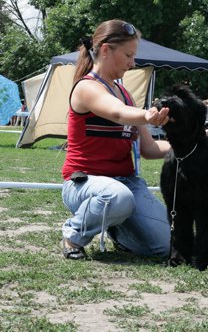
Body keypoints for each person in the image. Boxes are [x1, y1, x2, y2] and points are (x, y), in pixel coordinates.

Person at [60, 19, 175, 260]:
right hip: (85, 185)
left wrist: (192, 144)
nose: (133, 63)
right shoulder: (86, 88)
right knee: (116, 197)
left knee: (167, 246)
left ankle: (117, 228)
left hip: (125, 184)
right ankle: (73, 236)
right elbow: (116, 112)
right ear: (105, 50)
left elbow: (150, 148)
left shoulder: (125, 94)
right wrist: (146, 115)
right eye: (128, 55)